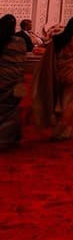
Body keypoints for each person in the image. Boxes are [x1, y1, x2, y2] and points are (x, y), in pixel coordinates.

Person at [31, 16, 73, 140]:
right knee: (70, 103)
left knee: (59, 101)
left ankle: (56, 126)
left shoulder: (57, 40)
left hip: (57, 73)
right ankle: (63, 131)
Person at [0, 14, 27, 151]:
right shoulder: (20, 41)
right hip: (16, 82)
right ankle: (8, 139)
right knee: (13, 110)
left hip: (2, 80)